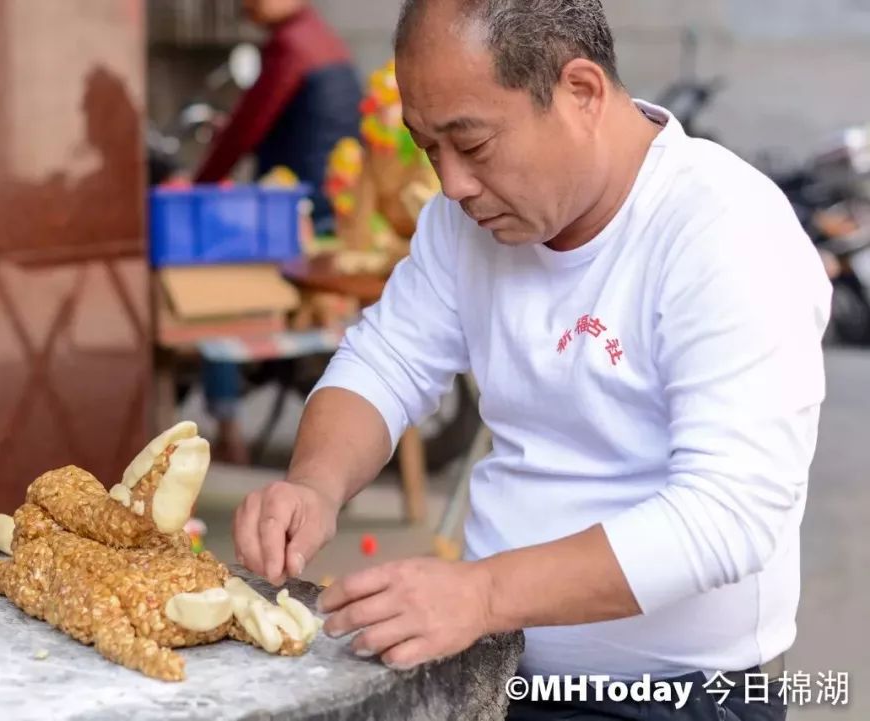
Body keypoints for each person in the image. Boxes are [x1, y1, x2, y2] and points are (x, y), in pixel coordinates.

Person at [231, 1, 833, 718]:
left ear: (581, 92)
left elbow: (724, 513)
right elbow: (384, 361)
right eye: (430, 149)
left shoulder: (723, 228)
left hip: (684, 694)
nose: (452, 184)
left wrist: (481, 591)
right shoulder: (462, 225)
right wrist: (314, 485)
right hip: (498, 667)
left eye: (473, 144)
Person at [193, 0, 363, 464]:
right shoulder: (325, 40)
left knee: (217, 290)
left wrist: (199, 186)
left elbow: (245, 129)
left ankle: (227, 428)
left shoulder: (290, 47)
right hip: (333, 209)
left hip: (294, 216)